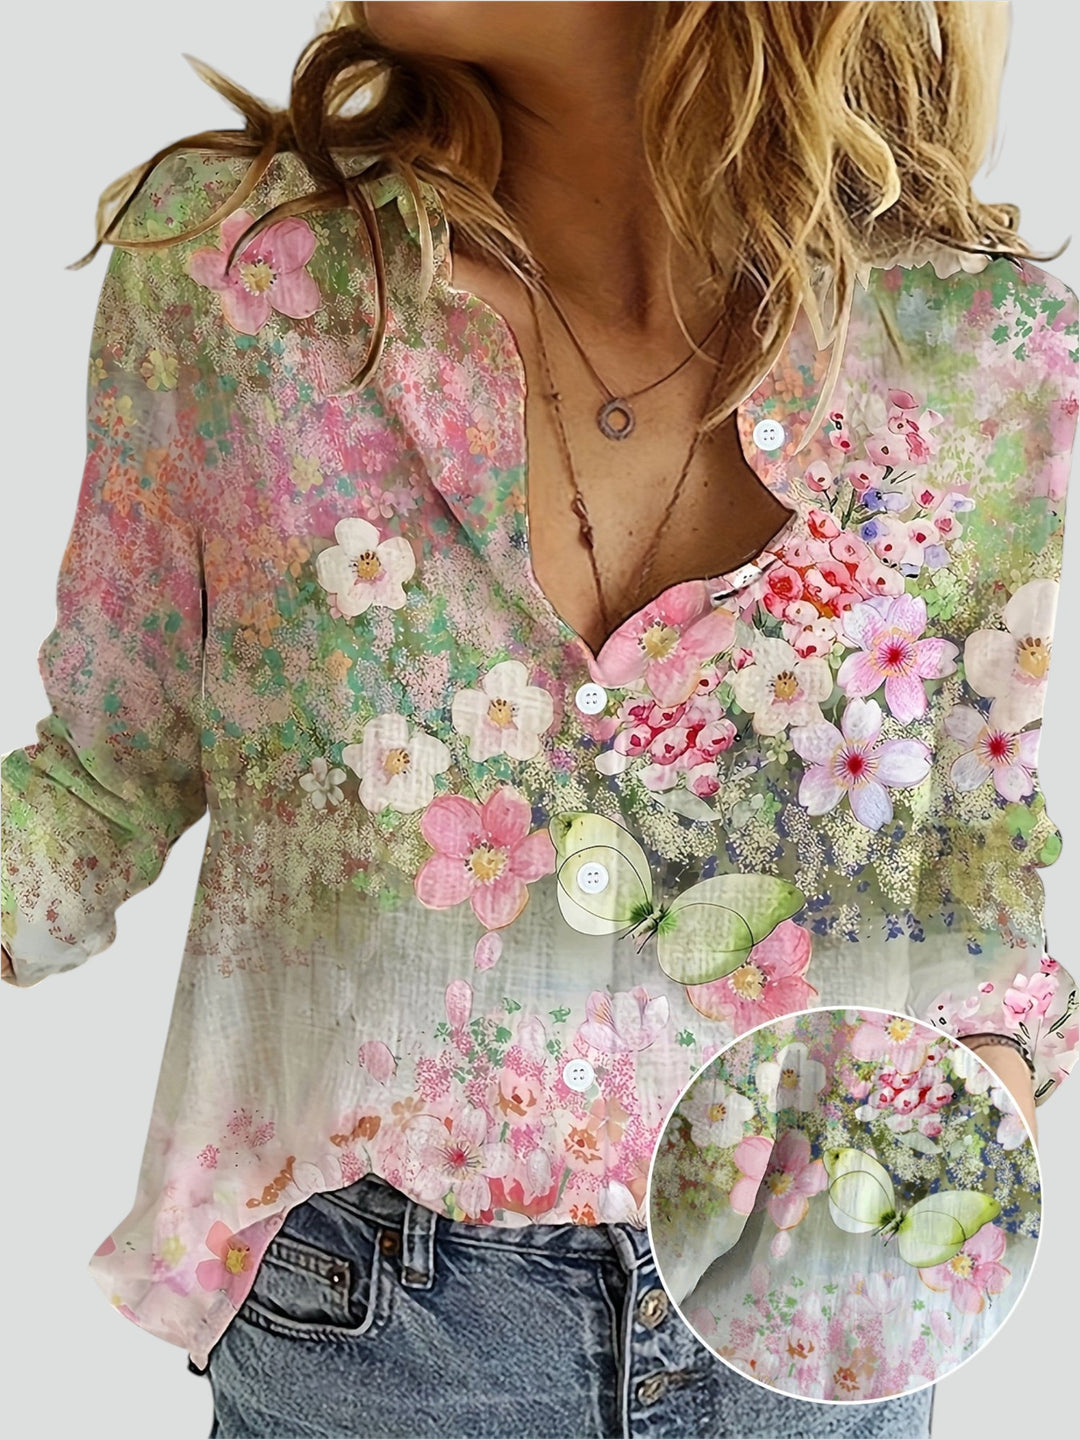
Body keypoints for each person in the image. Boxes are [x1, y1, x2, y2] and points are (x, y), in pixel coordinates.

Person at [2, 2, 1075, 1436]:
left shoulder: (978, 345)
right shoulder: (245, 275)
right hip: (377, 1341)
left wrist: (981, 1094)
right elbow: (104, 777)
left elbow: (969, 897)